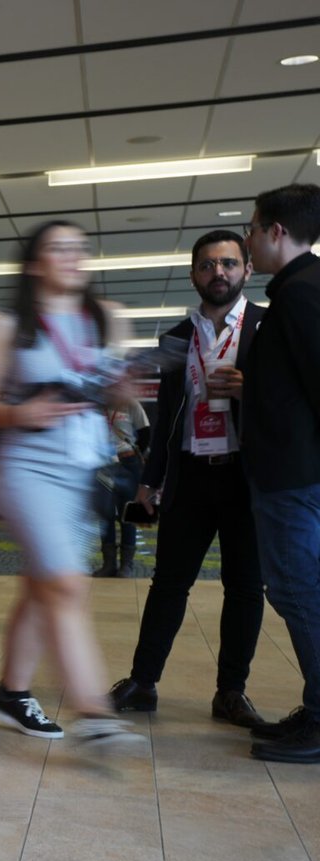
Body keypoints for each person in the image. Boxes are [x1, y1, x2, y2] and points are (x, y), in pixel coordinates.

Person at [0, 220, 142, 747]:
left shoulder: (106, 319)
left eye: (79, 248)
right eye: (57, 249)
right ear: (35, 264)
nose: (71, 257)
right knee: (66, 582)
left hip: (82, 468)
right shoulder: (10, 327)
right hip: (27, 467)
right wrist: (22, 413)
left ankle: (12, 695)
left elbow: (108, 392)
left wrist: (120, 391)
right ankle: (93, 710)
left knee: (42, 585)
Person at [109, 230, 265, 729]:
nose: (218, 272)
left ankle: (231, 692)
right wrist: (148, 482)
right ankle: (142, 682)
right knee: (168, 585)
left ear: (246, 269)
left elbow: (295, 398)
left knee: (244, 587)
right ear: (193, 273)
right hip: (190, 476)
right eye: (207, 265)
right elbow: (167, 414)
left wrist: (252, 391)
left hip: (246, 478)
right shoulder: (176, 338)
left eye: (228, 263)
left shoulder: (270, 326)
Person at [237, 185, 320, 762]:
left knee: (299, 592)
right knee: (298, 591)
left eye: (251, 227)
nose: (246, 239)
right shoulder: (298, 290)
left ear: (274, 232)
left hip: (295, 476)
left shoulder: (300, 296)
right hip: (290, 473)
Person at [92, 395, 148, 577]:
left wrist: (130, 451)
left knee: (128, 514)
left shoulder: (131, 403)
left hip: (128, 463)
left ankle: (127, 565)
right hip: (102, 464)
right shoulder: (96, 404)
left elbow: (145, 433)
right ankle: (108, 564)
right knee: (105, 514)